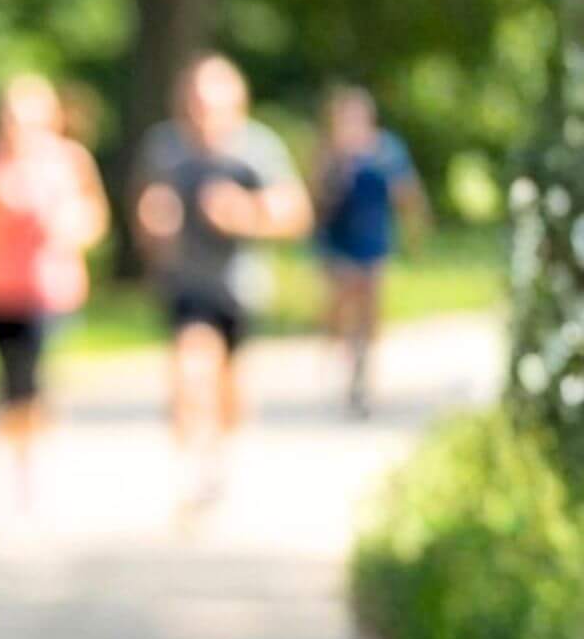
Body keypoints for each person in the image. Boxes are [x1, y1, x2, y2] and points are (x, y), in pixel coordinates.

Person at [132, 53, 314, 509]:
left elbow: (295, 213)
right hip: (185, 284)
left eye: (212, 105)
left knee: (231, 388)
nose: (202, 115)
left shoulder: (258, 148)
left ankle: (219, 461)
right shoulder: (165, 147)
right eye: (194, 103)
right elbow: (147, 206)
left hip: (240, 286)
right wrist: (154, 223)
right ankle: (189, 468)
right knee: (191, 368)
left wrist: (246, 214)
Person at [0, 74, 110, 507]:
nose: (19, 129)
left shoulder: (70, 161)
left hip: (50, 290)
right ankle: (16, 458)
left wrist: (66, 225)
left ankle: (31, 464)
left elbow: (94, 218)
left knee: (35, 376)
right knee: (7, 378)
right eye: (12, 118)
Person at [311, 84, 428, 416]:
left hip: (374, 241)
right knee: (343, 303)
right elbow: (316, 197)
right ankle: (339, 353)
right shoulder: (330, 153)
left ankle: (361, 376)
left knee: (370, 309)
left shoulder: (387, 150)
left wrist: (415, 231)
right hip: (338, 242)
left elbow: (406, 192)